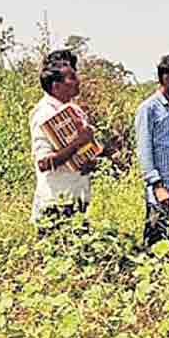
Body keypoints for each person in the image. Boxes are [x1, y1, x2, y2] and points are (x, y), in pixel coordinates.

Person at [31, 61, 104, 229]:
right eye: (71, 78)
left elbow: (83, 153)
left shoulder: (74, 111)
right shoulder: (44, 114)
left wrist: (92, 160)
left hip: (77, 196)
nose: (78, 81)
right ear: (56, 86)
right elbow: (43, 163)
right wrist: (78, 143)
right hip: (56, 201)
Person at [134, 54, 169, 245]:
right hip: (163, 192)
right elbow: (144, 150)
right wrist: (158, 187)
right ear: (168, 78)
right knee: (157, 245)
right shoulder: (148, 109)